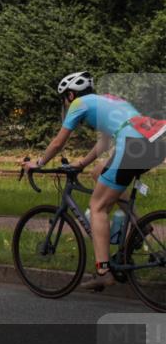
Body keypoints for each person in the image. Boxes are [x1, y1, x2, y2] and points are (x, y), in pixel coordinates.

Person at [23, 72, 166, 288]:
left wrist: (39, 162)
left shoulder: (79, 103)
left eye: (64, 98)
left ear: (70, 95)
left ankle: (103, 271)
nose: (65, 103)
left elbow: (58, 143)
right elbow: (106, 141)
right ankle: (139, 227)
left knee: (97, 206)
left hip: (130, 146)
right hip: (154, 144)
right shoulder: (108, 100)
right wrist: (82, 163)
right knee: (99, 172)